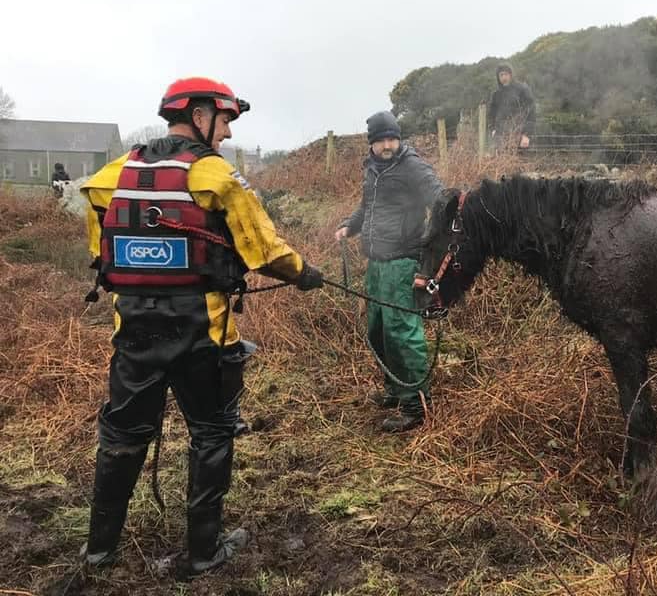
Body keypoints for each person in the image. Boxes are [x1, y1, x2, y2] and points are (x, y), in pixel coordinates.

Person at [79, 77, 325, 580]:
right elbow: (267, 249)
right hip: (202, 333)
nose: (227, 134)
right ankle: (203, 552)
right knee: (212, 432)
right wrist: (305, 275)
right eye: (226, 121)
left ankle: (100, 551)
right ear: (198, 116)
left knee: (123, 434)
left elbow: (97, 250)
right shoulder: (217, 177)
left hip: (134, 332)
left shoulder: (111, 175)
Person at [335, 111, 443, 432]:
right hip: (376, 261)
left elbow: (441, 202)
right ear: (371, 144)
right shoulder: (372, 167)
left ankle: (416, 405)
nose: (387, 145)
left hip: (402, 261)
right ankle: (397, 389)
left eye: (392, 138)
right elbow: (367, 205)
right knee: (378, 329)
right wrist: (349, 226)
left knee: (401, 331)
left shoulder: (412, 166)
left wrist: (430, 259)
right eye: (381, 140)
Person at [486, 63, 536, 152]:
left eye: (506, 74)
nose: (504, 77)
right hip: (500, 138)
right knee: (501, 164)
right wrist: (493, 130)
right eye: (501, 75)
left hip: (519, 136)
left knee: (520, 163)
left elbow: (531, 113)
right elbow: (491, 114)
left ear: (511, 75)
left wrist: (526, 135)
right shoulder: (496, 94)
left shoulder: (522, 89)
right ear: (498, 77)